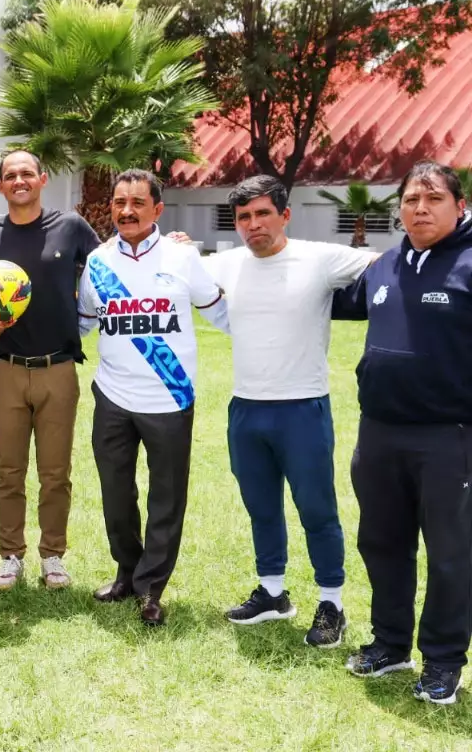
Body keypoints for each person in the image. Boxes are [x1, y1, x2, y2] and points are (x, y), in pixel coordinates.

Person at [199, 174, 376, 647]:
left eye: (262, 214)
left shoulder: (321, 259)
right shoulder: (226, 264)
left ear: (284, 215)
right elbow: (178, 271)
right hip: (246, 409)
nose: (253, 224)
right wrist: (176, 245)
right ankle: (273, 593)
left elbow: (388, 265)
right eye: (243, 217)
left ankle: (331, 602)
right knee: (261, 507)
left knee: (317, 510)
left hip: (303, 408)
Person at [332, 161, 472, 704]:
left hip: (449, 435)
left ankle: (442, 661)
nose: (420, 207)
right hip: (380, 432)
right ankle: (390, 644)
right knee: (382, 543)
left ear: (458, 206)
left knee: (450, 552)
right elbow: (328, 298)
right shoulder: (385, 265)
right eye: (411, 199)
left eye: (433, 198)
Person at [77, 170, 228, 626]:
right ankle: (127, 571)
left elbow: (220, 311)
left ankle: (151, 588)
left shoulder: (182, 256)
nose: (127, 210)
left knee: (166, 499)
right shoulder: (97, 262)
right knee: (115, 494)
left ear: (157, 209)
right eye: (120, 201)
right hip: (113, 399)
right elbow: (82, 323)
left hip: (170, 400)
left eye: (138, 202)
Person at [0, 150, 100, 590]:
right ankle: (10, 555)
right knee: (8, 471)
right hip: (6, 369)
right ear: (1, 185)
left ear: (42, 179)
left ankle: (53, 556)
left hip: (58, 369)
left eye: (27, 173)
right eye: (10, 175)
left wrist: (168, 239)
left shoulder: (72, 228)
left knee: (55, 472)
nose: (19, 180)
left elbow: (112, 264)